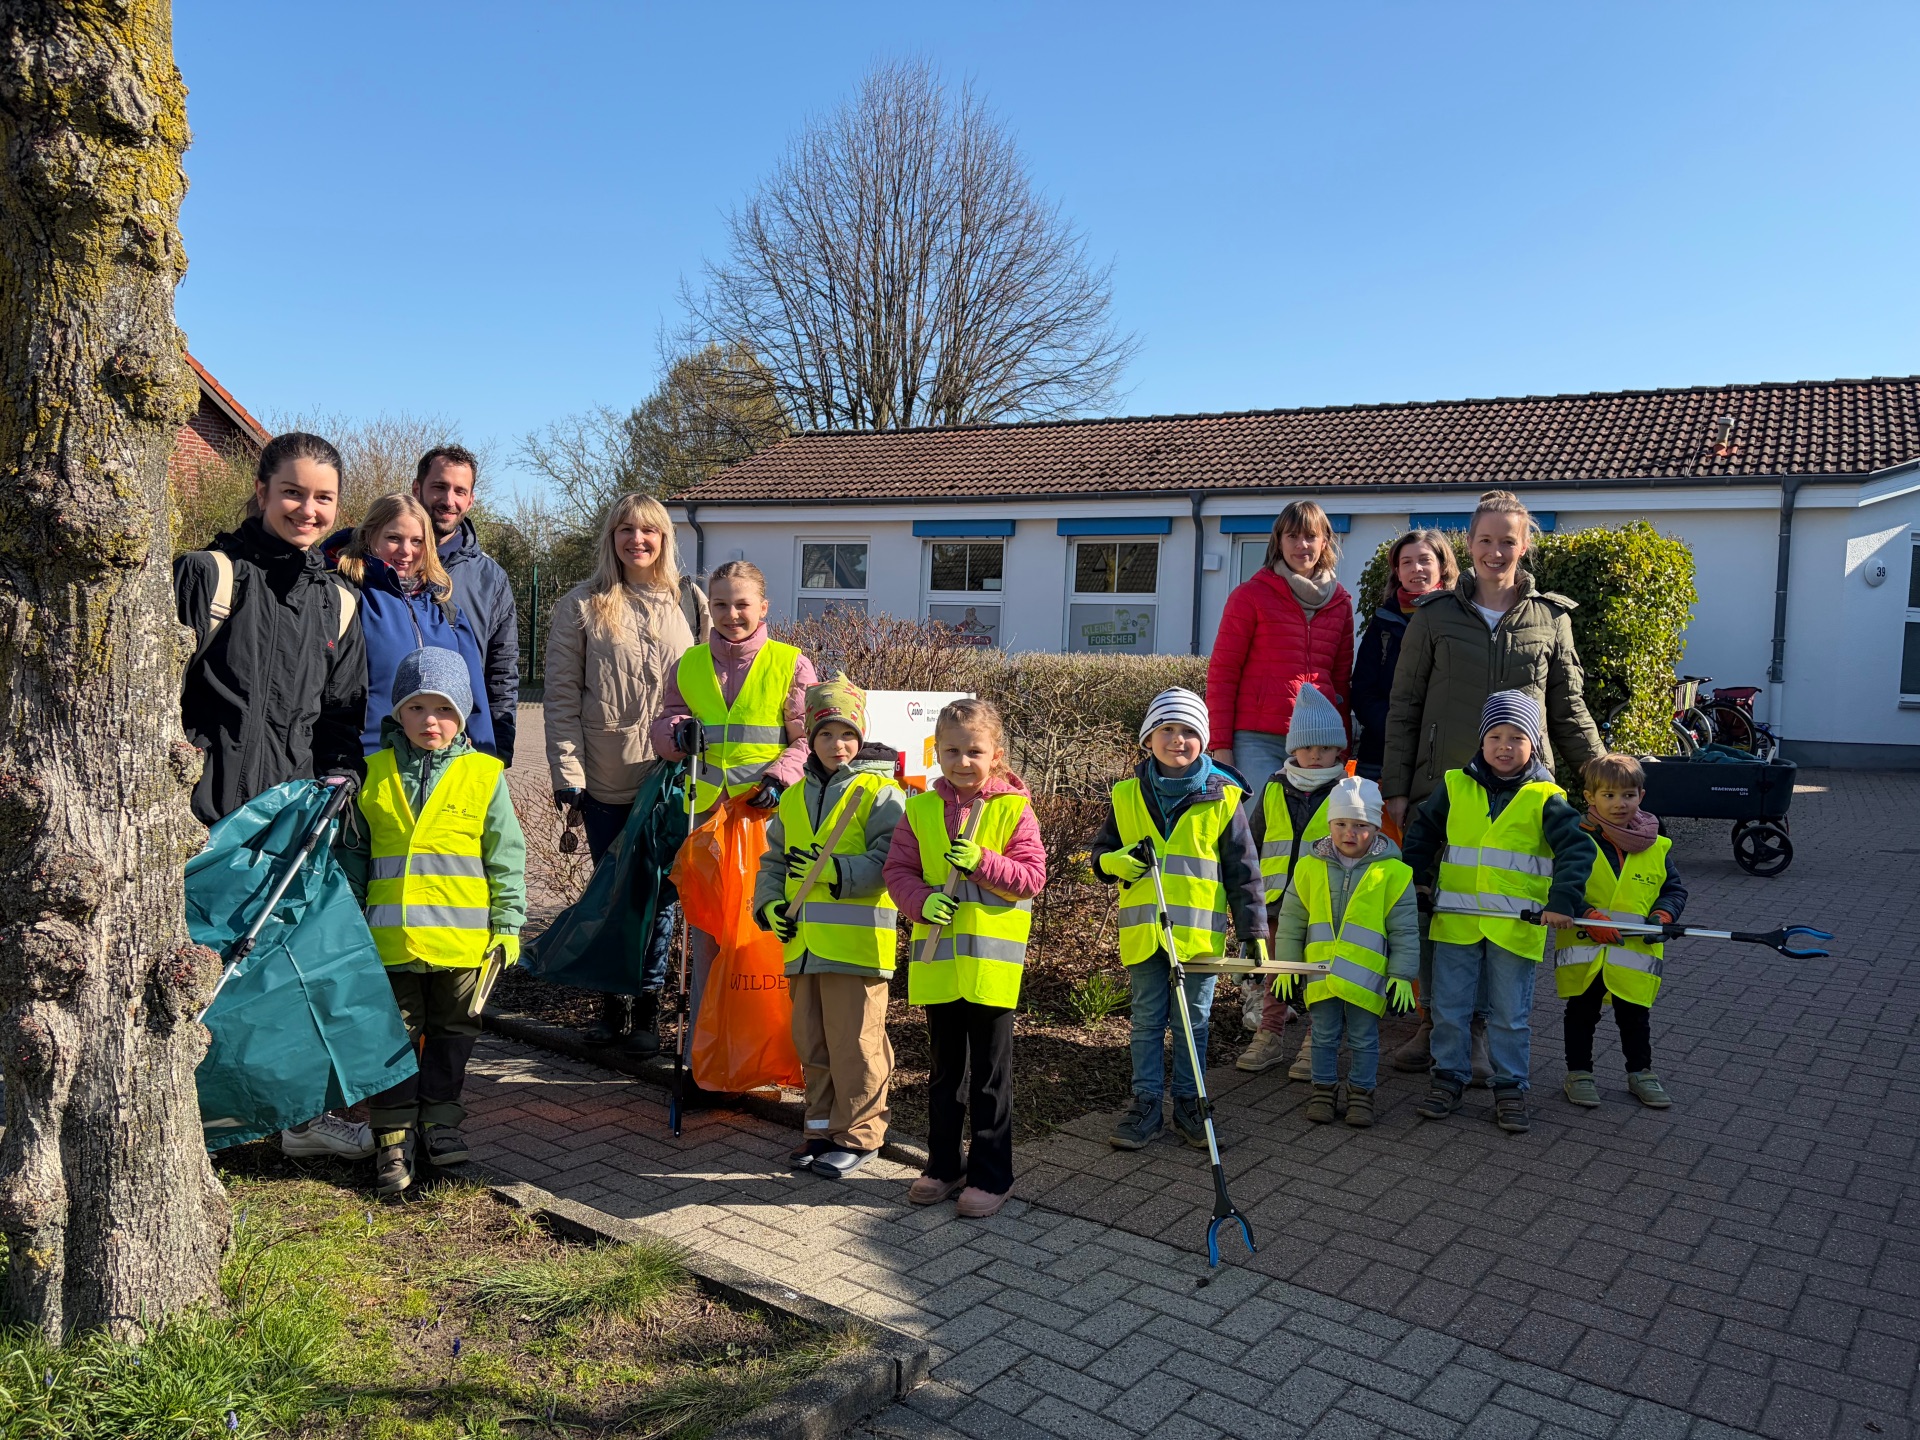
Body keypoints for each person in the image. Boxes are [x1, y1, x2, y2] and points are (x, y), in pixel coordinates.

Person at [175, 432, 372, 1162]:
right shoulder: (208, 577)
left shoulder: (341, 605)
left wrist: (340, 778)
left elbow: (341, 718)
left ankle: (292, 1121)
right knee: (196, 976)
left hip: (290, 824)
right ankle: (191, 1124)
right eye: (293, 492)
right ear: (261, 493)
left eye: (323, 498)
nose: (307, 509)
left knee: (281, 974)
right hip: (203, 817)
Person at [1380, 490, 1604, 1075]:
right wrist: (1397, 787)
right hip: (1444, 788)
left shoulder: (1551, 618)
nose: (1496, 551)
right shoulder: (1433, 617)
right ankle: (1436, 1024)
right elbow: (1403, 705)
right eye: (1485, 540)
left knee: (1502, 911)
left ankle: (1478, 1033)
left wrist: (1603, 776)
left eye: (1508, 540)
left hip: (1522, 796)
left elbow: (1569, 705)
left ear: (1525, 545)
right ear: (1468, 545)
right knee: (1440, 911)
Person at [339, 647, 526, 1194]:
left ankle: (441, 1126)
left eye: (444, 709)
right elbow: (354, 856)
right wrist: (348, 926)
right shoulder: (370, 776)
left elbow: (505, 855)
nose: (430, 720)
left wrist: (508, 924)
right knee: (391, 1040)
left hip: (462, 946)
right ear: (398, 714)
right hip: (387, 943)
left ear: (463, 715)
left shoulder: (484, 775)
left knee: (453, 1035)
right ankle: (392, 1140)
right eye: (417, 707)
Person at [545, 493, 706, 1050]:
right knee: (613, 892)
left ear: (664, 539)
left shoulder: (690, 602)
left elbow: (713, 684)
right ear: (611, 538)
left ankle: (648, 1008)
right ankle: (611, 1004)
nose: (637, 540)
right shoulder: (583, 605)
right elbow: (562, 696)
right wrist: (568, 774)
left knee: (661, 894)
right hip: (606, 775)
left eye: (650, 531)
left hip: (670, 777)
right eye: (626, 530)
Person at [1401, 691, 1595, 1135]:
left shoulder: (1546, 797)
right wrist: (1418, 879)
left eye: (1517, 737)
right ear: (1481, 741)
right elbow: (1422, 835)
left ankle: (1510, 1088)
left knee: (1510, 1015)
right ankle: (1447, 1078)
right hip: (1455, 922)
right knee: (1448, 1008)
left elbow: (1577, 850)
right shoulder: (1455, 785)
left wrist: (1563, 901)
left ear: (1534, 744)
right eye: (1495, 736)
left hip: (1517, 928)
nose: (1504, 746)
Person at [884, 699, 1046, 1220]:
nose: (962, 761)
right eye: (951, 750)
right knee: (943, 1072)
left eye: (974, 751)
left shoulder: (1013, 809)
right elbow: (898, 872)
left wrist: (982, 863)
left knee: (990, 1077)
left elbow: (1031, 878)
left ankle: (992, 1173)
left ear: (996, 755)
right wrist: (919, 902)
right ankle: (942, 1164)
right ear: (936, 751)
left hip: (991, 970)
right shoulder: (921, 810)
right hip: (938, 963)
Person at [653, 560, 816, 1078]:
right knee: (707, 936)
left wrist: (778, 778)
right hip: (706, 823)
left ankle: (768, 1052)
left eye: (742, 603)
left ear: (764, 607)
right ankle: (708, 1055)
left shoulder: (791, 665)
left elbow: (811, 739)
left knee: (763, 935)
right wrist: (677, 733)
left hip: (766, 821)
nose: (731, 614)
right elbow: (664, 722)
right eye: (720, 604)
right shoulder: (691, 663)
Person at [1091, 689, 1267, 1152]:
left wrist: (1254, 931)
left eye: (1190, 731)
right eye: (1167, 729)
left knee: (1193, 1022)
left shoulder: (1224, 798)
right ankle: (1145, 1103)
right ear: (1149, 737)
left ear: (1204, 741)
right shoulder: (1127, 794)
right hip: (1145, 932)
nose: (1178, 739)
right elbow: (1099, 853)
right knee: (1148, 1020)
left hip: (1197, 937)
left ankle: (1191, 1103)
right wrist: (1114, 863)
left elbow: (1243, 870)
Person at [752, 678, 905, 1178]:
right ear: (810, 739)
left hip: (858, 946)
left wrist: (838, 871)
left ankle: (860, 1137)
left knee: (856, 1045)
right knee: (813, 1043)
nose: (838, 745)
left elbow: (892, 861)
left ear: (861, 738)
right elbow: (772, 861)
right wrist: (768, 905)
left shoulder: (881, 794)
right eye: (826, 735)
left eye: (848, 734)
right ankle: (818, 1129)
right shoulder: (793, 800)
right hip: (803, 944)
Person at [1273, 776, 1419, 1128]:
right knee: (1322, 1035)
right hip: (1321, 975)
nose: (1349, 832)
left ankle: (1361, 1094)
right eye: (1340, 823)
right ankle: (1323, 1090)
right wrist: (1287, 967)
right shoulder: (1308, 867)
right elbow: (1292, 921)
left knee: (1365, 1039)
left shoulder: (1394, 874)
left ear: (1375, 826)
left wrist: (1401, 975)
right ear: (1330, 825)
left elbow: (1405, 929)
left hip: (1367, 979)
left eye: (1360, 825)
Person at [1235, 684, 1351, 1080]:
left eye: (1324, 747)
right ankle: (1270, 1037)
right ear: (1292, 749)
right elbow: (1251, 842)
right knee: (1277, 974)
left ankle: (1316, 1044)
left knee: (1320, 975)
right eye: (1307, 747)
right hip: (1275, 901)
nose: (1315, 755)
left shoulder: (1348, 793)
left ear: (1339, 750)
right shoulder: (1272, 787)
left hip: (1324, 905)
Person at [1558, 754, 1687, 1110]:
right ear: (1590, 797)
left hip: (1634, 955)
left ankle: (1641, 1073)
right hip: (1587, 950)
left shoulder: (1657, 846)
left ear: (1641, 796)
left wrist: (1663, 915)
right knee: (1582, 1014)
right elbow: (1559, 888)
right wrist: (1586, 914)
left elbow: (1673, 890)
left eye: (1628, 795)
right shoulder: (1576, 839)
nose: (1619, 804)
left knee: (1635, 1017)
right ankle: (1579, 1073)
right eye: (1609, 795)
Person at [326, 493, 494, 756]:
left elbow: (474, 698)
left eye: (417, 541)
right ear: (370, 536)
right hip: (367, 764)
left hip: (439, 770)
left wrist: (486, 762)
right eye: (394, 538)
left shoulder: (445, 608)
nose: (406, 551)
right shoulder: (346, 598)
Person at [1205, 499, 1355, 790]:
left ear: (1324, 542)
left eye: (1310, 536)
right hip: (1256, 740)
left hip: (1318, 744)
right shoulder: (1250, 596)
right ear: (1279, 542)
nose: (1302, 545)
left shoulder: (1341, 604)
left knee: (1314, 833)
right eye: (1292, 536)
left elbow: (1340, 684)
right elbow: (1223, 673)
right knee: (1259, 829)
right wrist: (1221, 745)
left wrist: (1342, 747)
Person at [413, 445, 519, 767]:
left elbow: (502, 672)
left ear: (471, 500)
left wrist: (497, 751)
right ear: (417, 489)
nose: (449, 500)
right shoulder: (383, 560)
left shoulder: (491, 579)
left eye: (460, 491)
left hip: (464, 750)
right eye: (439, 487)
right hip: (388, 748)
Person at [1351, 530, 1457, 783]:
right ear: (1397, 572)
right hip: (1380, 757)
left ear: (1442, 566)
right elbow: (1363, 690)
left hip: (1442, 759)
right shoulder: (1382, 623)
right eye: (1406, 562)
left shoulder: (1462, 621)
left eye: (1425, 560)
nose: (1416, 568)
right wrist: (1396, 729)